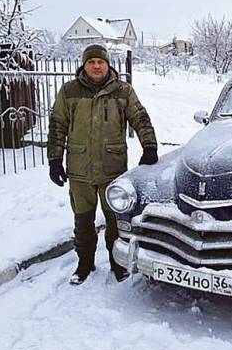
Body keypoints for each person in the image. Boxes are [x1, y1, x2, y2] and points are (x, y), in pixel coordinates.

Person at [47, 44, 158, 285]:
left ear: (108, 64)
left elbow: (140, 118)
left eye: (101, 62)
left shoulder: (123, 90)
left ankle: (117, 263)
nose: (96, 66)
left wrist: (150, 147)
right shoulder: (69, 91)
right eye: (91, 62)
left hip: (113, 169)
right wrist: (54, 160)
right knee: (83, 221)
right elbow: (57, 125)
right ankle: (84, 263)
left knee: (115, 222)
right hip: (79, 170)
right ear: (84, 65)